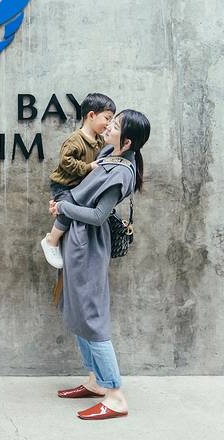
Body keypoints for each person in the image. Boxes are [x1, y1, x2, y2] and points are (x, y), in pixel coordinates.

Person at [49, 109, 151, 420]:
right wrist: (64, 206)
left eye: (115, 125)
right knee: (77, 311)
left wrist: (64, 207)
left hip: (89, 247)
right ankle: (95, 381)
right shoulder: (108, 154)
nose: (108, 127)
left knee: (92, 318)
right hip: (77, 243)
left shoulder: (121, 174)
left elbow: (97, 216)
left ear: (127, 141)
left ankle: (115, 396)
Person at [41, 93, 116, 269]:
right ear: (91, 115)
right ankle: (51, 241)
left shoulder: (100, 140)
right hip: (64, 184)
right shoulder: (75, 140)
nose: (108, 124)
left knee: (77, 212)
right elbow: (66, 162)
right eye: (107, 118)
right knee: (67, 209)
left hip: (79, 186)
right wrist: (89, 167)